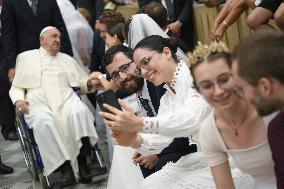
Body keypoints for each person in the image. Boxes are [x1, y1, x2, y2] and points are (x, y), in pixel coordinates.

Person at [9, 27, 102, 187]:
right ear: (42, 40)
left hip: (66, 98)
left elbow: (80, 81)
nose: (57, 39)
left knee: (79, 112)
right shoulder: (26, 58)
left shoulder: (66, 58)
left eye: (59, 37)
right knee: (44, 122)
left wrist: (89, 82)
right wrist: (19, 100)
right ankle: (65, 170)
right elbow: (17, 87)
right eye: (53, 36)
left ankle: (82, 164)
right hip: (38, 103)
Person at [102, 44, 195, 181]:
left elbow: (183, 128)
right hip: (171, 141)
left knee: (160, 165)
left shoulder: (159, 83)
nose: (122, 77)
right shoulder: (138, 87)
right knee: (141, 161)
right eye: (115, 75)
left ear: (135, 61)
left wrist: (156, 154)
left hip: (192, 143)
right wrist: (145, 148)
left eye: (125, 68)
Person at [190, 41, 276, 188]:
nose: (218, 91)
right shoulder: (210, 131)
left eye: (224, 80)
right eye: (207, 86)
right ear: (199, 91)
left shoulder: (269, 105)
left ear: (237, 75)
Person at [232, 30, 284, 189]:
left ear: (265, 86)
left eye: (241, 89)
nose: (240, 97)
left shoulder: (277, 130)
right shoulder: (276, 126)